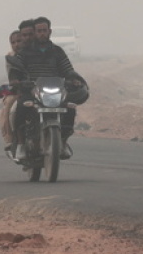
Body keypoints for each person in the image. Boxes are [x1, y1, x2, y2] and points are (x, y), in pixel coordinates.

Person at [9, 16, 89, 160]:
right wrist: (17, 81)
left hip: (55, 92)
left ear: (49, 31)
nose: (42, 34)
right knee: (20, 108)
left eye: (44, 30)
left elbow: (67, 69)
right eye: (39, 31)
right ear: (35, 32)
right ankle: (20, 145)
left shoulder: (58, 51)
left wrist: (74, 79)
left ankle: (63, 143)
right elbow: (16, 71)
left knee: (70, 108)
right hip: (32, 92)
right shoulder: (25, 53)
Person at [0, 29, 25, 158]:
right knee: (9, 105)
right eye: (13, 42)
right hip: (18, 89)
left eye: (19, 41)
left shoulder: (35, 54)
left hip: (38, 89)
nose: (16, 44)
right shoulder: (11, 57)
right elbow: (12, 76)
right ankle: (9, 140)